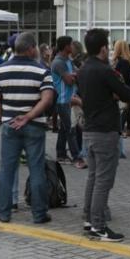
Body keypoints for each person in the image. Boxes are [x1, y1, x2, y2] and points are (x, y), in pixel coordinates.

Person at [0, 31, 55, 224]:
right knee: (36, 170)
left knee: (7, 170)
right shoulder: (42, 70)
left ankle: (4, 213)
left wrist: (5, 118)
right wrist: (29, 116)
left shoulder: (0, 70)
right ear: (31, 48)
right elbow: (47, 98)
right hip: (34, 126)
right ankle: (39, 214)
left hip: (10, 126)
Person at [79, 28, 130, 242]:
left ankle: (89, 218)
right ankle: (99, 226)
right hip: (105, 131)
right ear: (103, 48)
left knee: (93, 177)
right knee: (103, 181)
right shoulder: (105, 70)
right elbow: (128, 95)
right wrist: (114, 93)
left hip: (90, 129)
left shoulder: (84, 68)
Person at [51, 36, 82, 167]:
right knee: (71, 129)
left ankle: (61, 154)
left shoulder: (67, 60)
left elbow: (78, 75)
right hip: (63, 100)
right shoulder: (59, 62)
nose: (73, 47)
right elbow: (69, 80)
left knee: (64, 128)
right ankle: (76, 158)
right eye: (71, 44)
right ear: (66, 47)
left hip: (70, 99)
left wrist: (74, 76)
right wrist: (74, 76)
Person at [112, 40, 130, 136]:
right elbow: (124, 78)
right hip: (125, 92)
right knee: (124, 115)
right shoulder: (125, 62)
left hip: (120, 93)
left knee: (121, 117)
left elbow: (121, 78)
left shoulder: (120, 62)